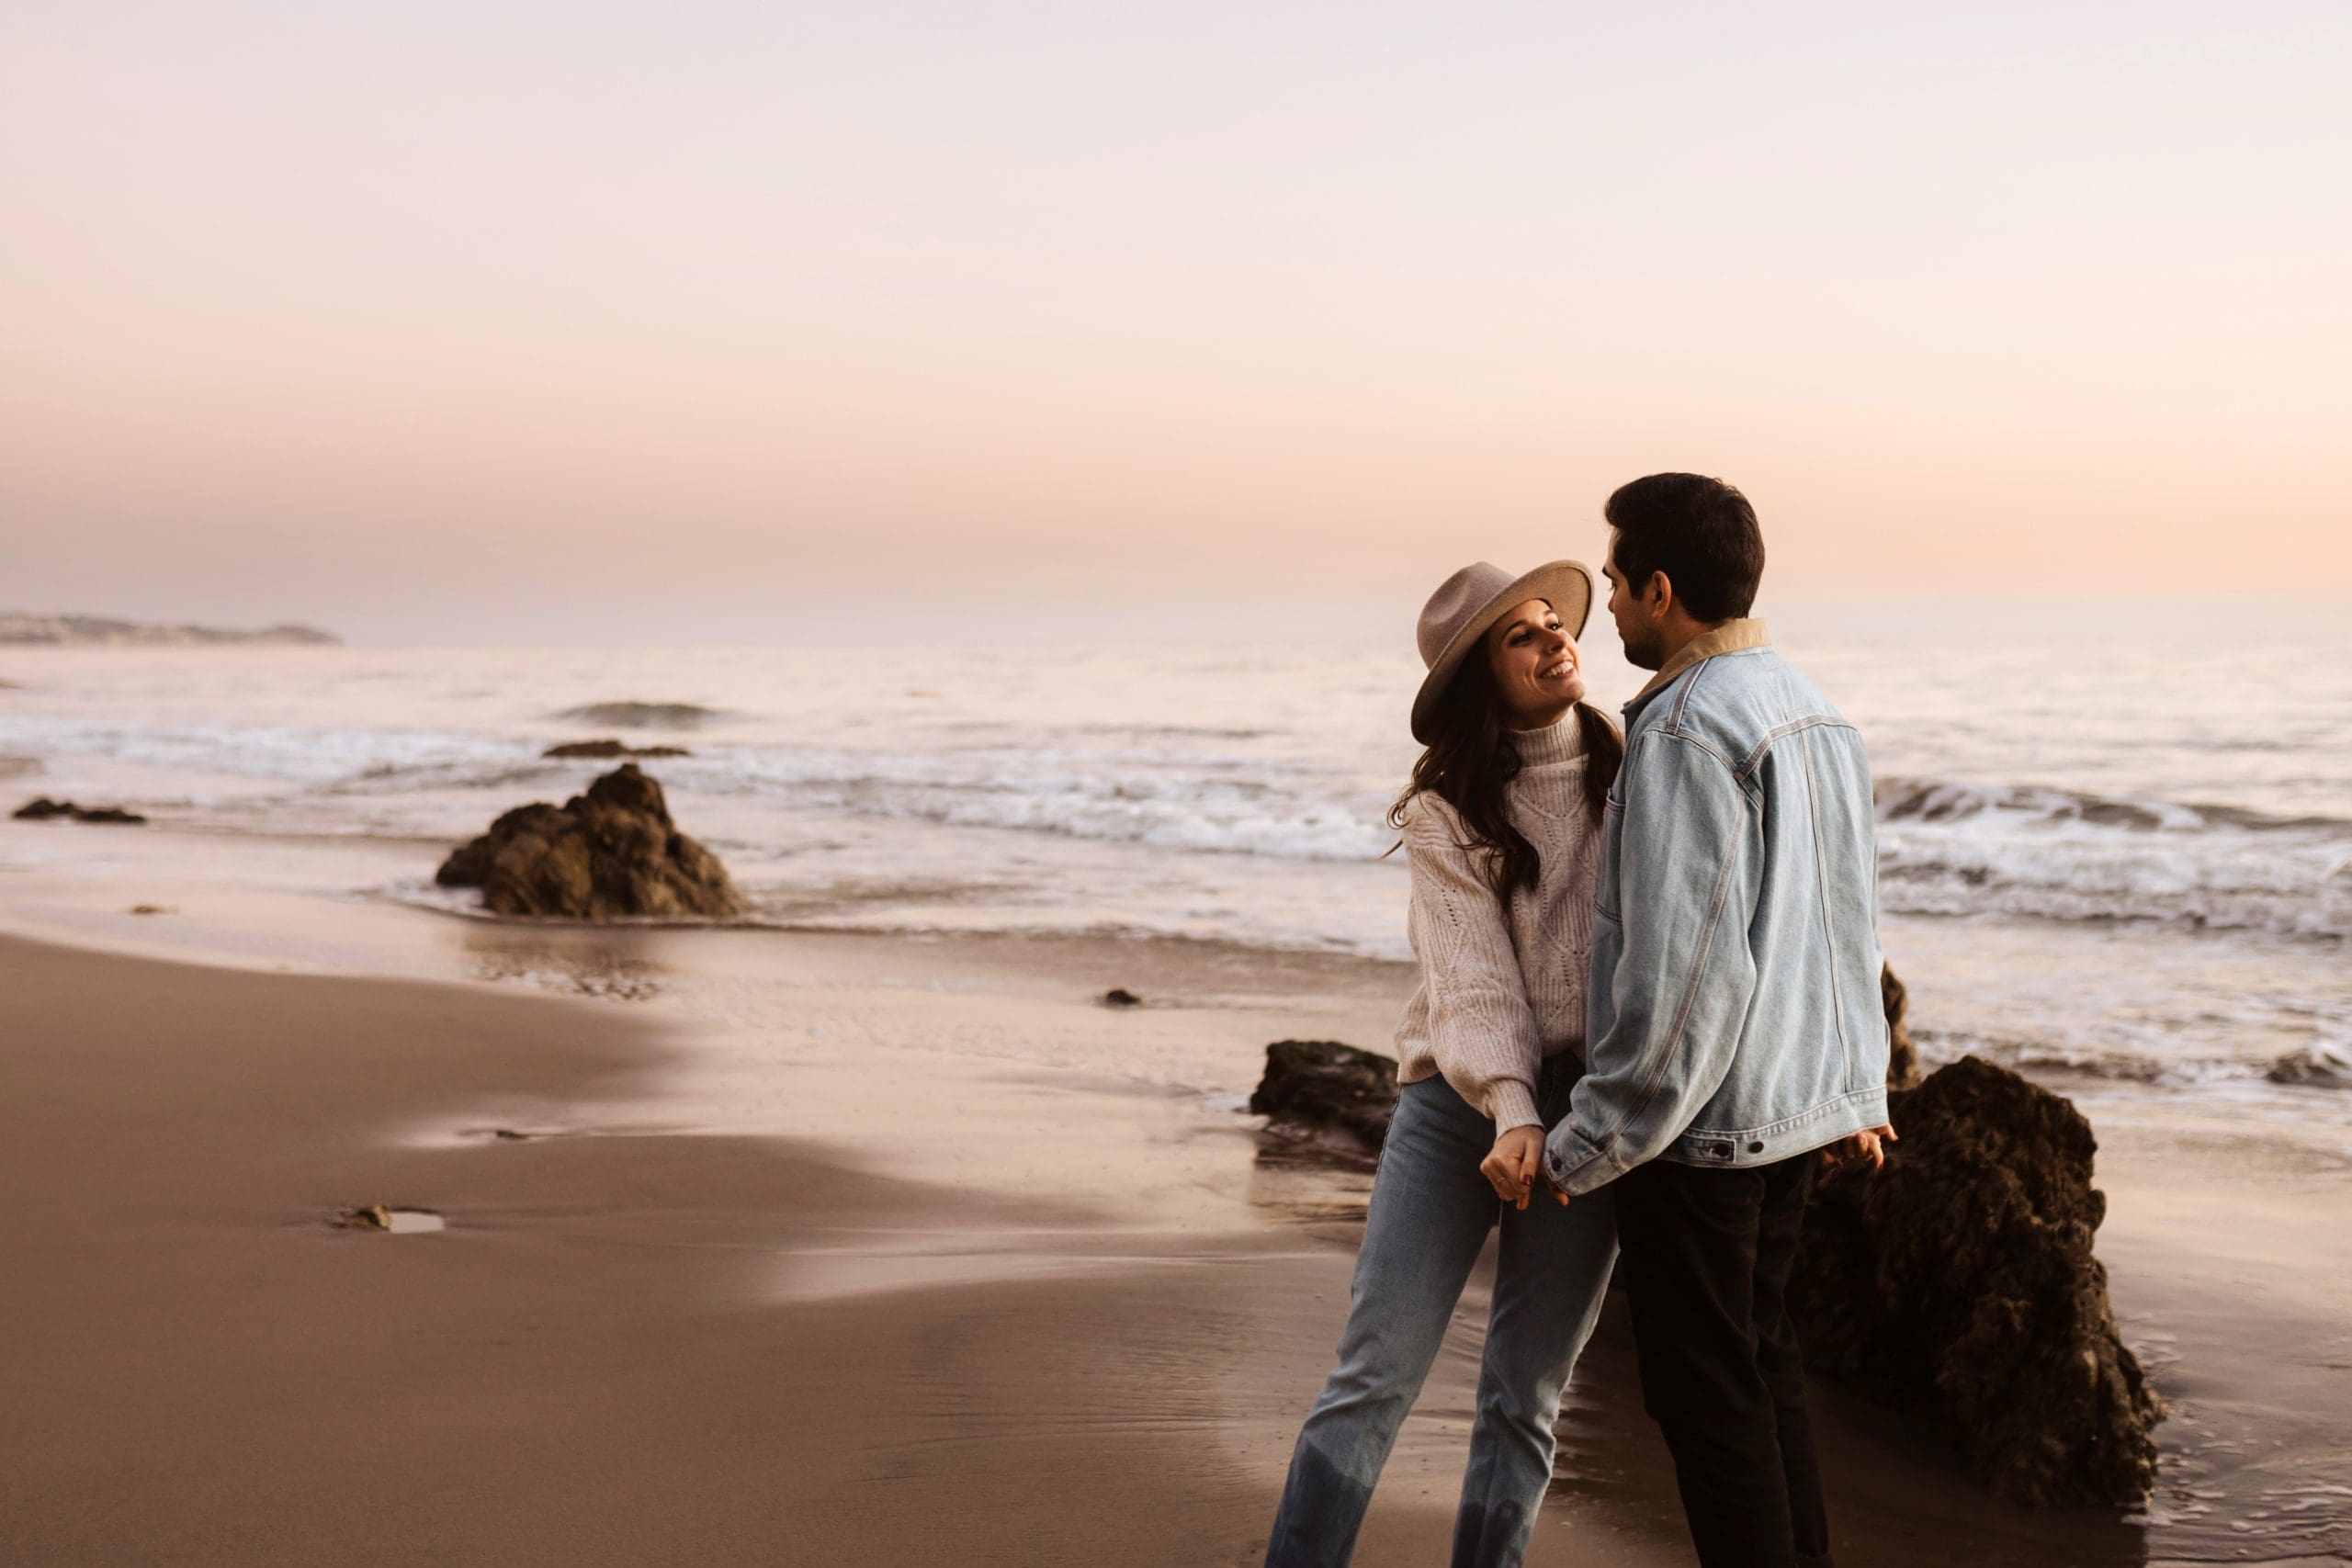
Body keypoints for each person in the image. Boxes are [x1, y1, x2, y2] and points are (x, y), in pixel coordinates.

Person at [1538, 473, 1894, 1568]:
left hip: (1704, 1134)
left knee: (1709, 1403)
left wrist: (1590, 1140)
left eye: (1615, 581)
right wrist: (1854, 1092)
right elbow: (1845, 935)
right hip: (1790, 1111)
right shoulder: (1814, 709)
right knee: (1761, 1369)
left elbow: (1685, 979)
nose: (1607, 598)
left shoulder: (1688, 732)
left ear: (1661, 588)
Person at [1261, 560, 1626, 1568]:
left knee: (1528, 1391)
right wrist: (1510, 1108)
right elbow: (1471, 981)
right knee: (1374, 1373)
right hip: (1454, 1097)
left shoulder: (1633, 767)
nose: (1557, 640)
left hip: (1590, 1108)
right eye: (1523, 635)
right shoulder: (1443, 810)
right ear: (1481, 676)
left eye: (1557, 623)